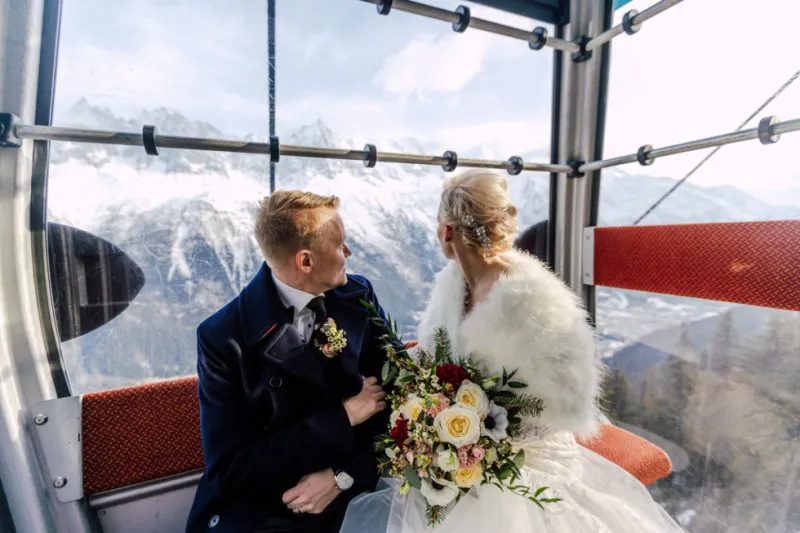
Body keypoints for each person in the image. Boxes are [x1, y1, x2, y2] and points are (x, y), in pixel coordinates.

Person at [339, 170, 685, 533]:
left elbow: (566, 401)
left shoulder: (537, 301)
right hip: (461, 441)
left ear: (447, 231)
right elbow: (436, 355)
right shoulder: (452, 283)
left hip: (524, 454)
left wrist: (478, 442)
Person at [185, 190, 399, 533]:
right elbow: (231, 471)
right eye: (340, 244)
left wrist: (344, 475)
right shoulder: (223, 338)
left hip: (353, 482)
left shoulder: (357, 296)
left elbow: (401, 398)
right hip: (272, 504)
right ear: (306, 261)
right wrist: (342, 417)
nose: (349, 252)